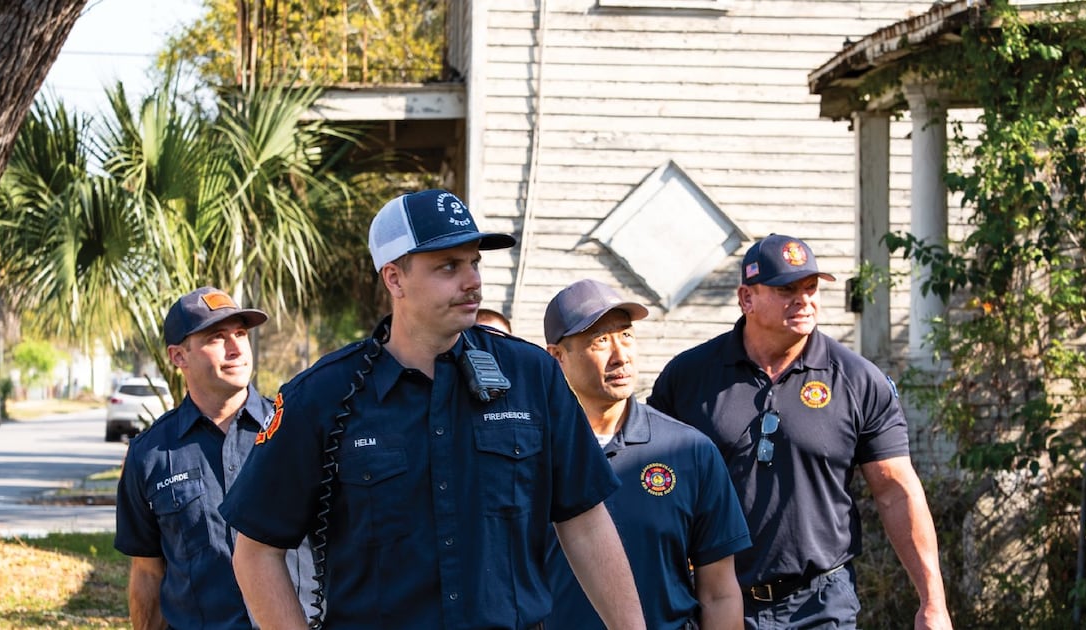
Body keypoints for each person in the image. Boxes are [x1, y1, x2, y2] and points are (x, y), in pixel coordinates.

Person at [221, 189, 645, 629]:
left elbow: (585, 522)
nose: (472, 281)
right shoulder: (321, 397)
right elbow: (256, 553)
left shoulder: (531, 375)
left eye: (474, 262)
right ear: (394, 279)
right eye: (448, 266)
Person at [648, 234, 953, 630]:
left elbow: (896, 491)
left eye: (811, 288)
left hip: (820, 602)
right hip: (715, 599)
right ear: (747, 299)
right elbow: (655, 484)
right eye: (786, 289)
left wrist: (933, 602)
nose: (804, 299)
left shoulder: (858, 380)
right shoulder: (689, 378)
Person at [542, 279, 751, 629]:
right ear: (557, 357)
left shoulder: (688, 450)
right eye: (600, 341)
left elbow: (719, 592)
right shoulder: (529, 453)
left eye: (626, 335)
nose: (620, 355)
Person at [114, 287, 317, 629]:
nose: (237, 348)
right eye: (217, 337)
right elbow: (148, 572)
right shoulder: (149, 455)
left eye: (240, 334)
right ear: (179, 356)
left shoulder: (297, 431)